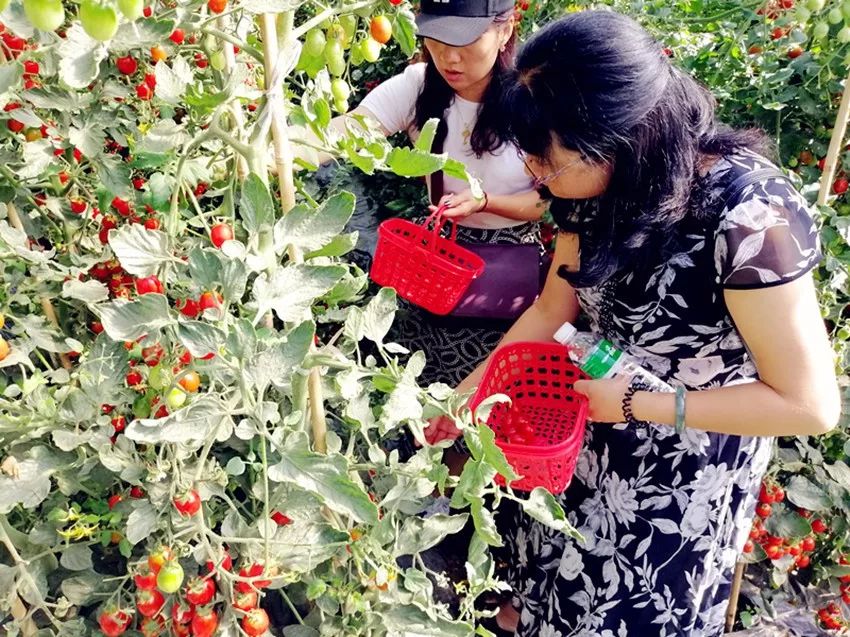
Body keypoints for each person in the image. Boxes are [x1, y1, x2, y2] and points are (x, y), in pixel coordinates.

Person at [426, 10, 841, 636]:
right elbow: (551, 307)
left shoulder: (752, 220)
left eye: (548, 159)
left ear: (617, 139)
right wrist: (465, 399)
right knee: (549, 587)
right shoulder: (587, 192)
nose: (536, 174)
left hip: (677, 473)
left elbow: (809, 406)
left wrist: (640, 403)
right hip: (574, 439)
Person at [307, 0, 547, 387]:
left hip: (507, 269)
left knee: (483, 397)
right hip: (435, 263)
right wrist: (286, 149)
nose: (449, 58)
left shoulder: (535, 101)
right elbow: (349, 132)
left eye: (466, 40)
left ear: (505, 30)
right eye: (437, 39)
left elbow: (552, 204)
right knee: (421, 384)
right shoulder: (419, 87)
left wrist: (486, 202)